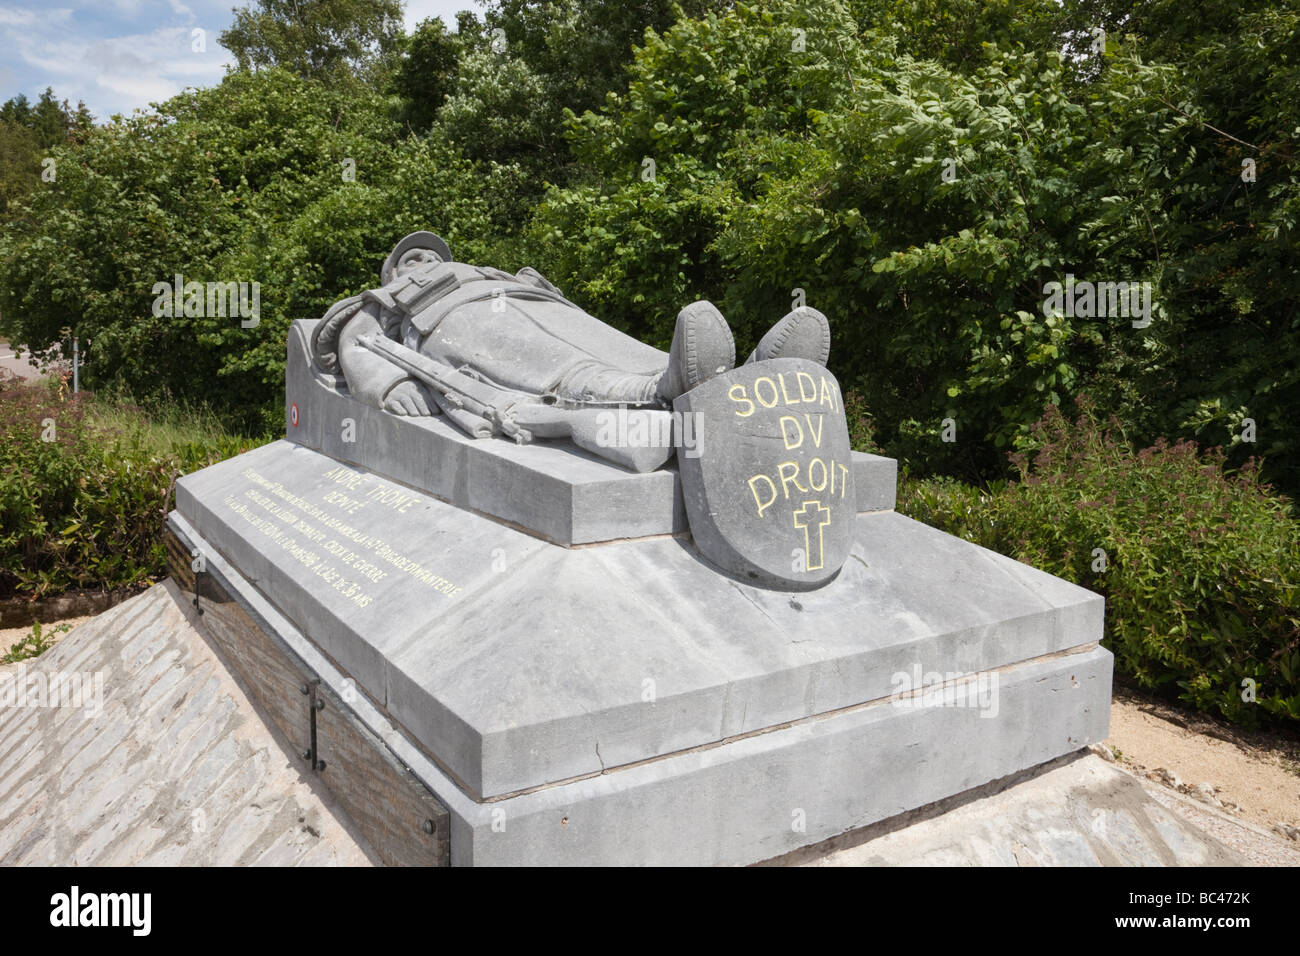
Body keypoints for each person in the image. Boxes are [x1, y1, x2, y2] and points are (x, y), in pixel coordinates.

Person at [311, 231, 831, 462]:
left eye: (430, 254)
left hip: (533, 301)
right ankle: (659, 389)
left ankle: (743, 380)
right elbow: (357, 343)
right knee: (556, 367)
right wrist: (390, 382)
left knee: (611, 342)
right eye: (410, 259)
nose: (422, 261)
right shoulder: (384, 298)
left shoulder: (489, 268)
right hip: (456, 322)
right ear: (392, 273)